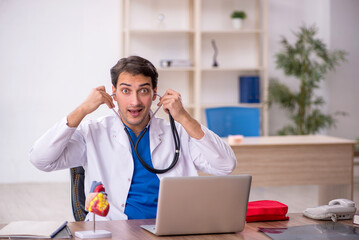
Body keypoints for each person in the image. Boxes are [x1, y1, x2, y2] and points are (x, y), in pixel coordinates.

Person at [29, 56, 237, 221]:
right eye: (126, 91)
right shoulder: (93, 132)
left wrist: (183, 116)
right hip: (115, 229)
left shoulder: (178, 132)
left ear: (155, 93)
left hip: (173, 229)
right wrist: (82, 109)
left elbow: (225, 166)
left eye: (143, 91)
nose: (135, 101)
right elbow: (41, 160)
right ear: (113, 93)